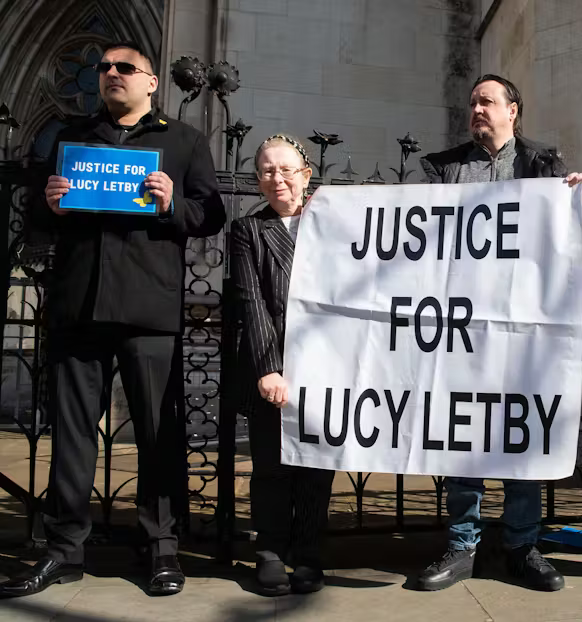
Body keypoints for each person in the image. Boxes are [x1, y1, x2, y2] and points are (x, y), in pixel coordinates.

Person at [0, 41, 225, 598]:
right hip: (80, 306)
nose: (110, 75)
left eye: (124, 68)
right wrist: (47, 205)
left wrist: (173, 202)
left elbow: (212, 215)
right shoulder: (69, 140)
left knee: (157, 435)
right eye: (103, 68)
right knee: (73, 436)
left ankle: (161, 549)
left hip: (148, 310)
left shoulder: (184, 141)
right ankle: (64, 549)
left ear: (152, 82)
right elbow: (34, 221)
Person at [414, 74, 582, 593]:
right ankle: (462, 544)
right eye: (472, 102)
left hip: (522, 331)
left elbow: (573, 251)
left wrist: (577, 208)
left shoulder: (544, 165)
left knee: (519, 435)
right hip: (459, 326)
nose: (477, 109)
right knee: (462, 433)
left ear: (513, 110)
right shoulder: (444, 168)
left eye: (487, 101)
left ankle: (521, 544)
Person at [229, 134, 335, 597]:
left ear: (306, 175)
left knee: (317, 467)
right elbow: (251, 303)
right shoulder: (248, 230)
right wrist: (269, 368)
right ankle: (270, 550)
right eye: (268, 171)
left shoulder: (336, 225)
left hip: (328, 367)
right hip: (272, 366)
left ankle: (308, 554)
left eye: (287, 169)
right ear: (258, 181)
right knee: (271, 467)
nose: (278, 179)